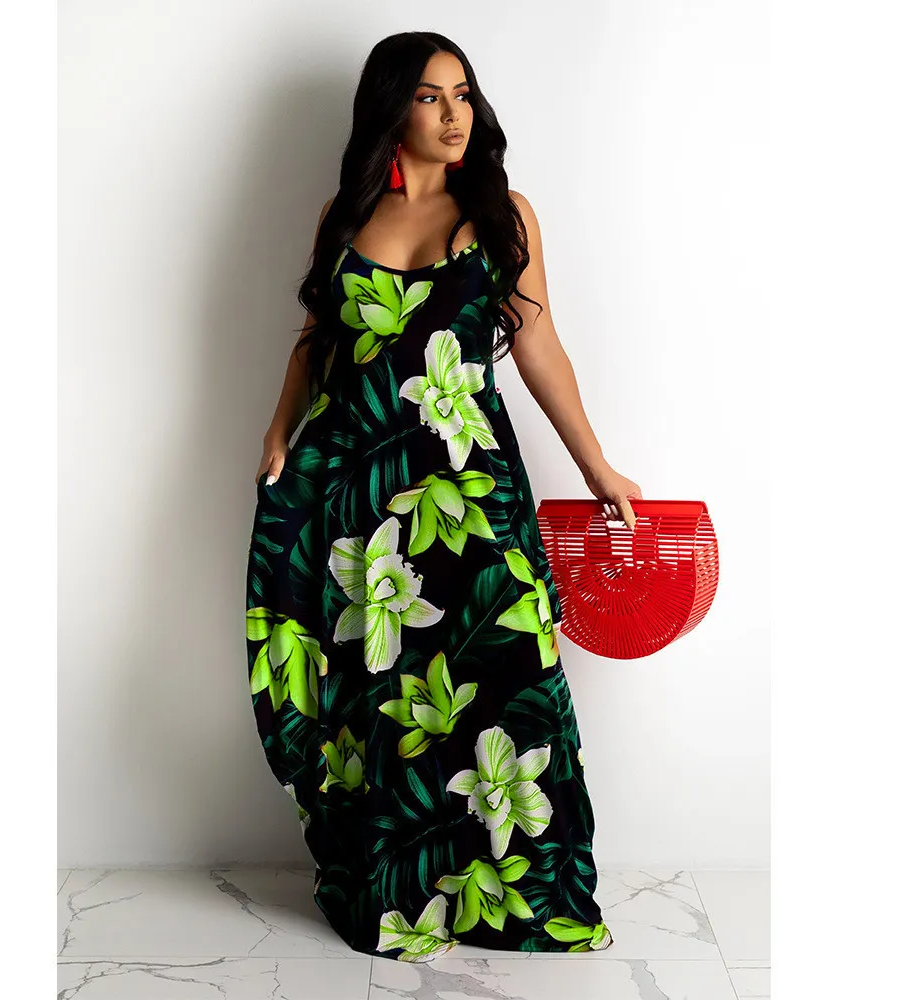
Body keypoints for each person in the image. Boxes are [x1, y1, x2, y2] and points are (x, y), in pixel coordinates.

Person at [245, 31, 642, 963]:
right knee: (385, 696)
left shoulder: (503, 214)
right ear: (392, 109)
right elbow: (317, 340)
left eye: (463, 94)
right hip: (358, 498)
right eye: (430, 97)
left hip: (471, 494)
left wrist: (597, 467)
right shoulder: (343, 217)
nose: (454, 114)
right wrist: (278, 429)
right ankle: (403, 897)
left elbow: (538, 346)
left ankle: (521, 899)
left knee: (511, 683)